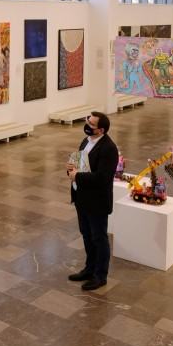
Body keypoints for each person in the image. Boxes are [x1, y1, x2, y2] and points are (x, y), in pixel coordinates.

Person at [66, 111, 118, 291]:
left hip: (97, 202)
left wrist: (77, 176)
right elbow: (80, 165)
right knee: (87, 235)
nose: (87, 125)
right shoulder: (86, 141)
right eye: (87, 121)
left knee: (99, 238)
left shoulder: (109, 149)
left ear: (101, 130)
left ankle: (100, 276)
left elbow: (102, 178)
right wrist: (70, 169)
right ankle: (89, 269)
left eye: (92, 124)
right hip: (81, 198)